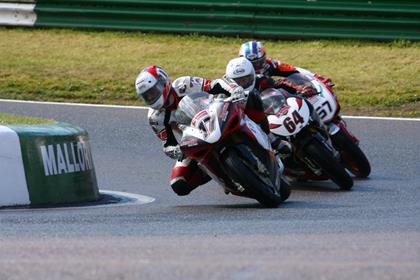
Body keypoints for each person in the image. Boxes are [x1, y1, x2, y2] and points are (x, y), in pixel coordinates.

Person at [135, 63, 269, 196]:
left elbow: (216, 84)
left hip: (215, 116)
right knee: (179, 184)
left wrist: (234, 90)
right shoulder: (155, 117)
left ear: (163, 82)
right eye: (147, 96)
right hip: (195, 138)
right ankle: (225, 175)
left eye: (153, 92)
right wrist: (174, 151)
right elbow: (168, 143)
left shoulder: (184, 84)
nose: (151, 97)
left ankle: (269, 137)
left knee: (251, 96)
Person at [238, 41, 334, 96]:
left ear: (264, 59)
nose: (255, 68)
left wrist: (318, 78)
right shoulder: (237, 72)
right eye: (251, 64)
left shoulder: (269, 64)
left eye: (258, 63)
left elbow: (293, 70)